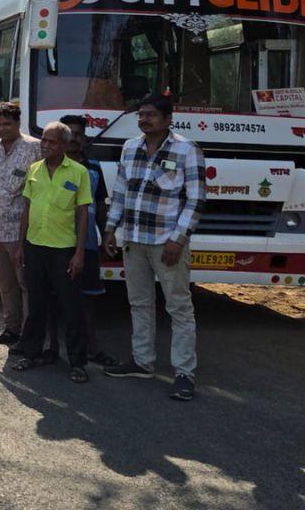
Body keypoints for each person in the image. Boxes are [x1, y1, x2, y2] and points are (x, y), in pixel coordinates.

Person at [103, 94, 205, 401]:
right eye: (141, 115)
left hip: (167, 243)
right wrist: (110, 229)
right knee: (139, 303)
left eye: (150, 115)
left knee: (179, 308)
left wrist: (178, 239)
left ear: (167, 119)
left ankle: (184, 373)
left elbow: (196, 199)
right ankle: (142, 361)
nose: (144, 119)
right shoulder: (130, 147)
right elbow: (121, 192)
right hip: (134, 241)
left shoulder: (187, 150)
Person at [9, 122, 93, 383]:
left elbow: (82, 215)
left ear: (65, 146)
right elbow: (27, 208)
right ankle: (31, 353)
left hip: (63, 249)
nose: (45, 146)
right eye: (44, 140)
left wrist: (79, 253)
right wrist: (21, 245)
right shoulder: (34, 170)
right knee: (36, 304)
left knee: (71, 307)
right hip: (35, 245)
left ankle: (78, 362)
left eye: (52, 142)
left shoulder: (79, 172)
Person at [0, 102, 41, 345]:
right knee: (5, 284)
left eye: (7, 124)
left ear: (17, 123)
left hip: (20, 230)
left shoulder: (34, 148)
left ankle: (29, 334)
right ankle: (11, 329)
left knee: (25, 284)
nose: (2, 129)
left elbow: (39, 189)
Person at [60, 114, 119, 368]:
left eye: (79, 134)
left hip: (89, 244)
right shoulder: (48, 165)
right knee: (55, 299)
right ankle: (52, 349)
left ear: (84, 138)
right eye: (69, 133)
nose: (74, 138)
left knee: (88, 300)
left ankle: (93, 349)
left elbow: (99, 204)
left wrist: (107, 233)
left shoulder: (93, 167)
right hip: (57, 242)